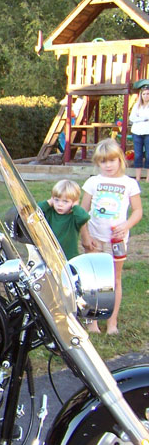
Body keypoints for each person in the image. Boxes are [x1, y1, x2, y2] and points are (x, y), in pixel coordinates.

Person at [81, 138, 142, 335]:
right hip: (94, 238)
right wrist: (86, 236)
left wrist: (126, 225)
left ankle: (112, 321)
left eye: (112, 160)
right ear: (97, 163)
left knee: (115, 280)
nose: (108, 165)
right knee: (93, 281)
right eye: (103, 161)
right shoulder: (92, 182)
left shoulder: (129, 183)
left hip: (117, 241)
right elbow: (82, 212)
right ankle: (92, 321)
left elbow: (138, 211)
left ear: (120, 160)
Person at [38, 179, 91, 260]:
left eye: (65, 201)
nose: (60, 204)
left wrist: (75, 206)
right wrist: (49, 202)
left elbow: (84, 217)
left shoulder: (74, 216)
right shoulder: (49, 212)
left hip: (68, 256)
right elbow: (33, 211)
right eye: (56, 200)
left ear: (74, 202)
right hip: (48, 254)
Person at [130, 84, 149, 182]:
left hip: (148, 132)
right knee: (138, 155)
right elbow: (132, 118)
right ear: (141, 95)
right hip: (137, 132)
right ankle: (137, 177)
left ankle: (148, 178)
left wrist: (139, 118)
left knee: (148, 155)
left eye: (148, 94)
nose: (146, 96)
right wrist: (144, 118)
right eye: (144, 94)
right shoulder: (137, 105)